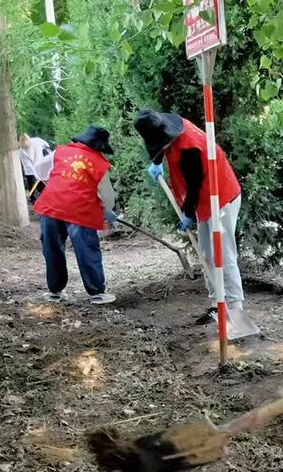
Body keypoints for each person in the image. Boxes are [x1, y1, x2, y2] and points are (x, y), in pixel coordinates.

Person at [133, 110, 259, 339]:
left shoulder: (190, 146)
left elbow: (194, 184)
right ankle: (216, 302)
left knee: (223, 253)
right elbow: (161, 145)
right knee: (206, 253)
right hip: (204, 200)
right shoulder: (168, 124)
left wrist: (188, 213)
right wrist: (157, 162)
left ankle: (234, 306)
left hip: (220, 197)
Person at [32, 126, 118, 305]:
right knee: (86, 248)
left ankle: (55, 291)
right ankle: (97, 293)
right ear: (100, 147)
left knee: (52, 248)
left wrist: (57, 179)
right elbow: (107, 196)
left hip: (52, 205)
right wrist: (107, 209)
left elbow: (39, 168)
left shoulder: (61, 151)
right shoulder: (100, 163)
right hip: (80, 210)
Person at [19, 133, 51, 202]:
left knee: (43, 180)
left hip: (44, 158)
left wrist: (38, 175)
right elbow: (27, 166)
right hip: (32, 166)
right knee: (31, 179)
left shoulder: (37, 144)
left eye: (26, 147)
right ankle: (33, 198)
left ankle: (46, 195)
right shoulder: (22, 152)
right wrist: (32, 175)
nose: (25, 149)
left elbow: (38, 161)